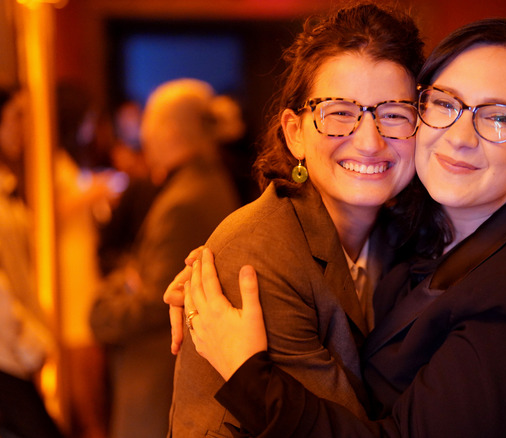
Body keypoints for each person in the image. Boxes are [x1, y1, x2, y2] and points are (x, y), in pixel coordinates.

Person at [177, 17, 506, 437]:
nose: (459, 137)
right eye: (446, 104)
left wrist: (247, 374)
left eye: (497, 117)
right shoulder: (412, 234)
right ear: (294, 132)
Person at [165, 4, 425, 437]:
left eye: (394, 113)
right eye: (339, 112)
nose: (369, 141)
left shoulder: (398, 233)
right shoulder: (257, 256)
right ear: (295, 133)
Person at [89, 78, 241, 438]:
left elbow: (155, 301)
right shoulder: (205, 180)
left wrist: (100, 309)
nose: (142, 135)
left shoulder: (184, 202)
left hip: (158, 380)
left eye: (148, 123)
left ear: (170, 131)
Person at [0, 87, 63, 438]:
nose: (23, 127)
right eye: (16, 116)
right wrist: (31, 344)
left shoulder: (8, 183)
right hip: (6, 351)